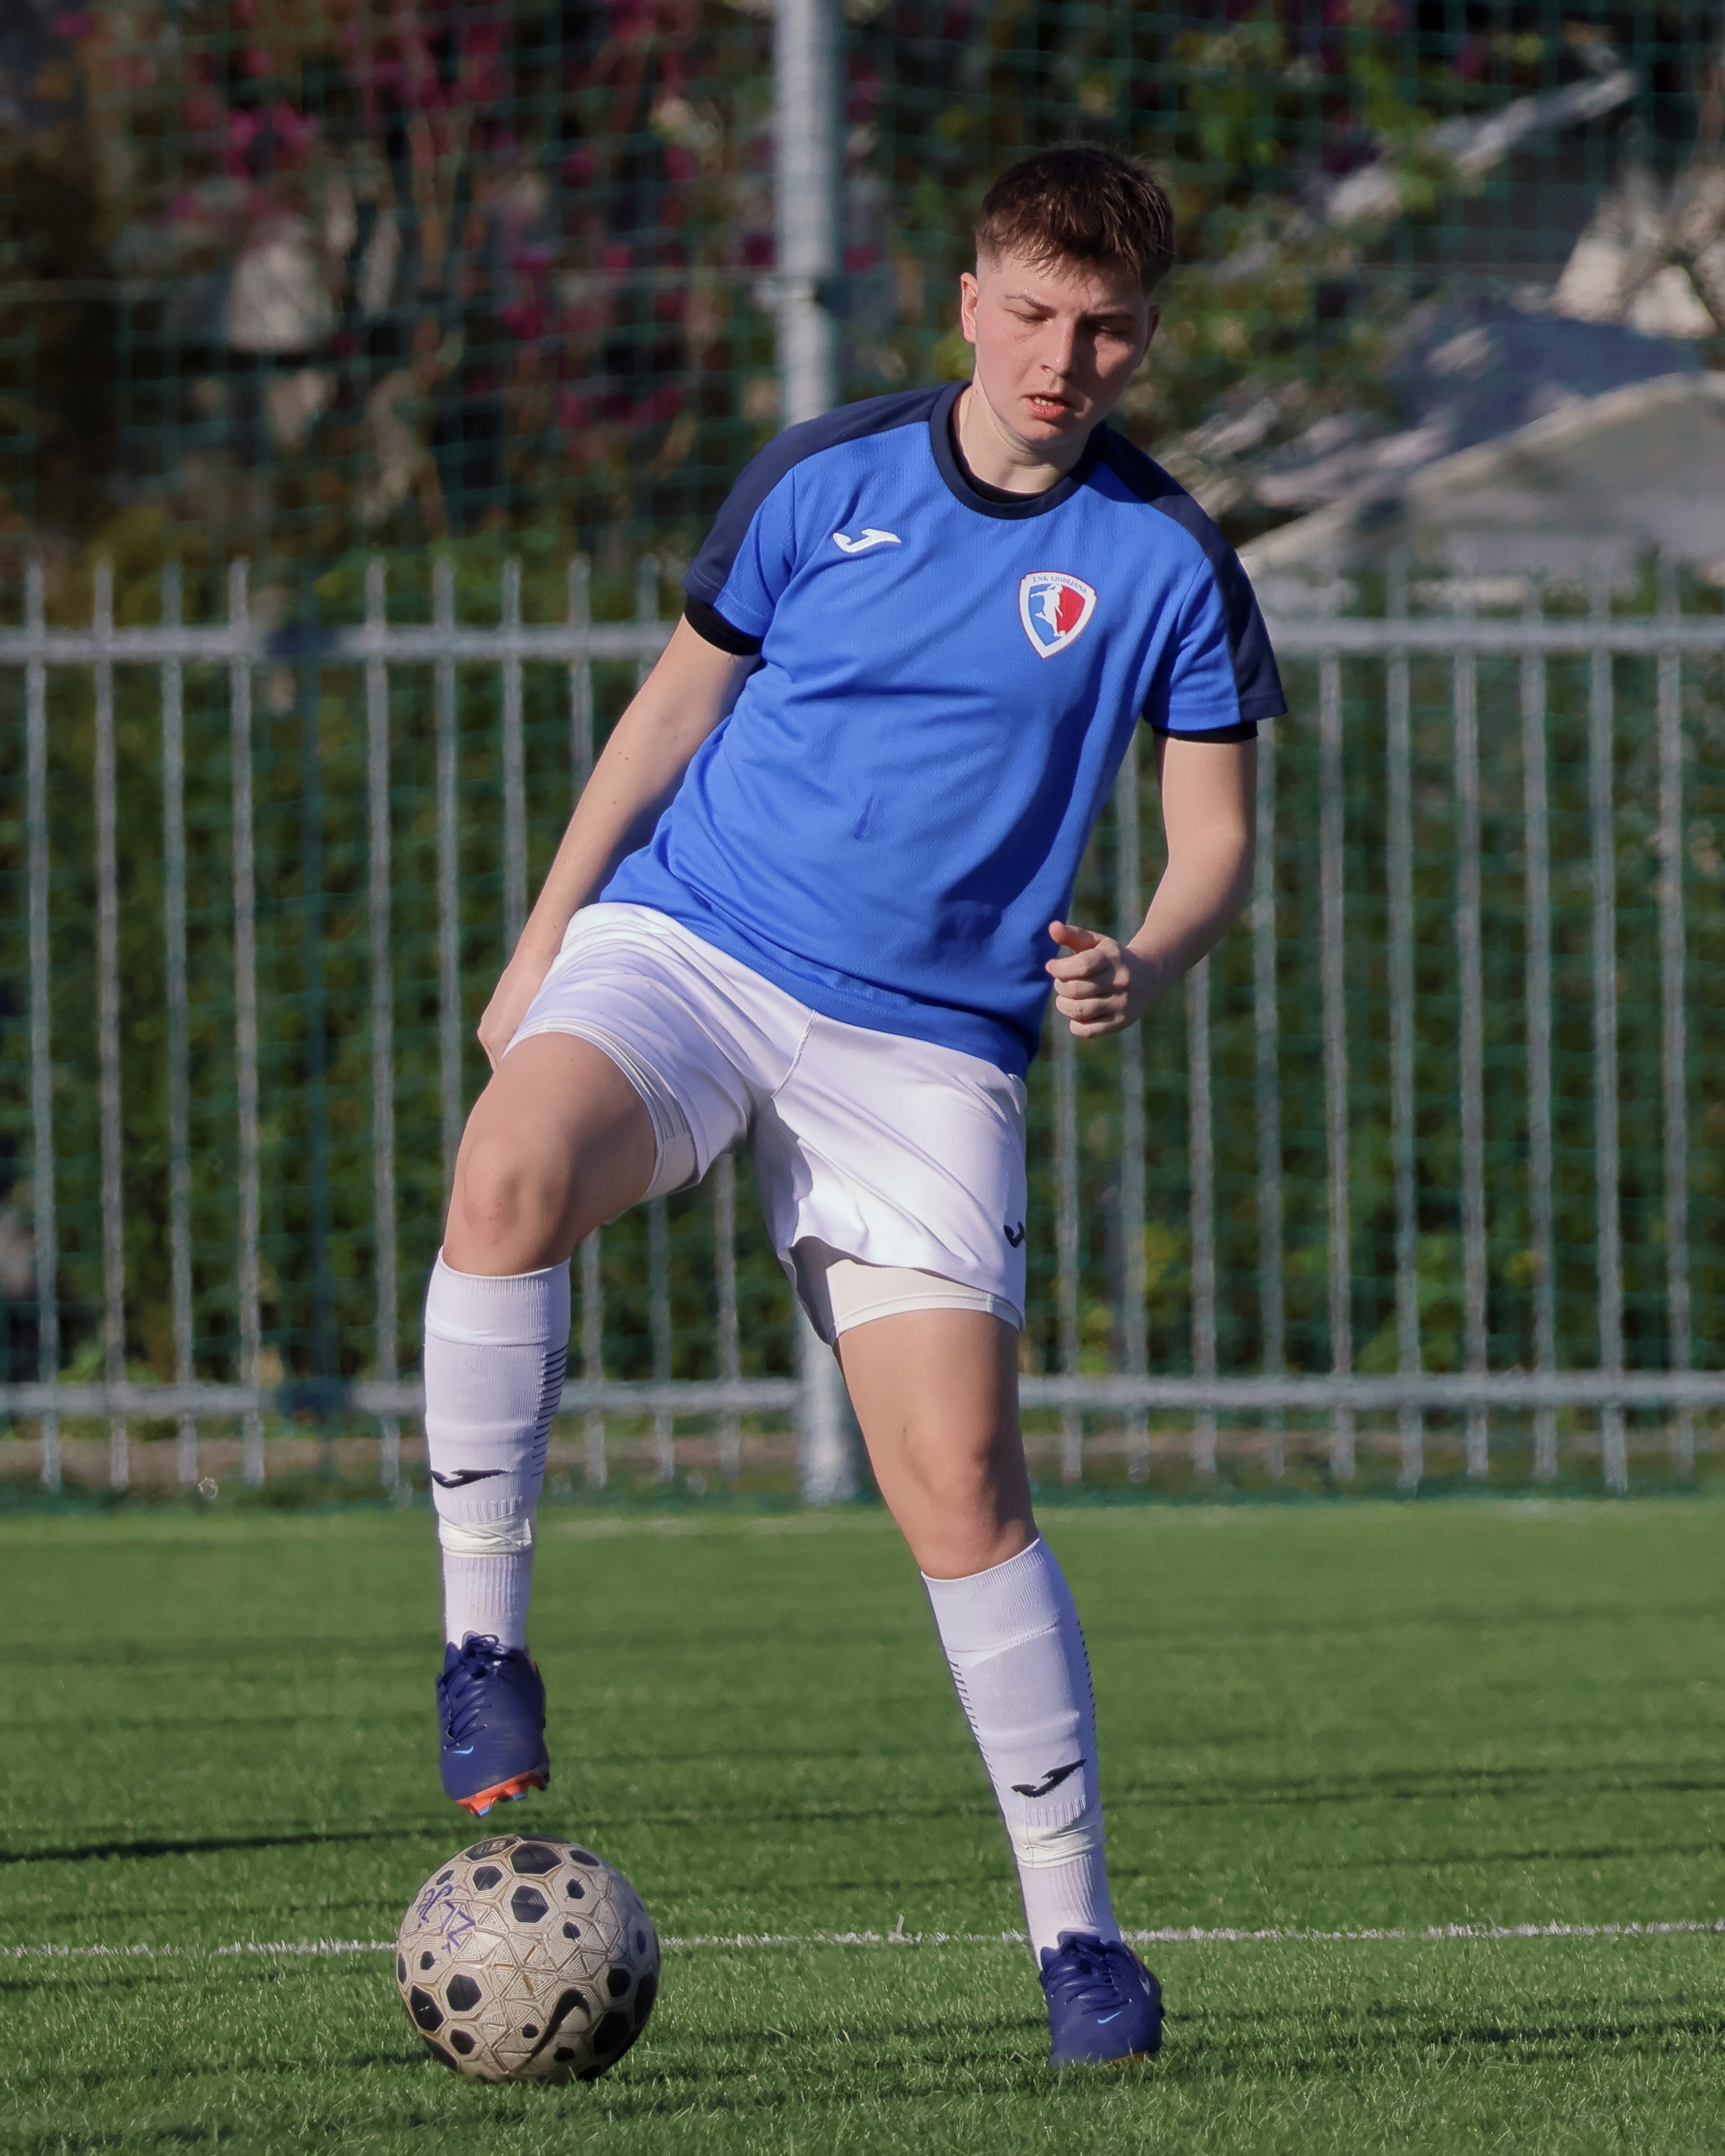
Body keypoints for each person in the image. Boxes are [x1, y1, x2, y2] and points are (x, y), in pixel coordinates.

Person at [423, 142, 1283, 2069]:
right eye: (1034, 313)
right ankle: (485, 1648)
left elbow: (1215, 837)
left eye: (1107, 328)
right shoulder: (826, 478)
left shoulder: (1167, 559)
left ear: (1147, 337)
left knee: (963, 1482)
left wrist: (1145, 958)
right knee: (509, 1171)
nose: (1063, 359)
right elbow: (672, 710)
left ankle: (1081, 1943)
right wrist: (545, 942)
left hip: (929, 1049)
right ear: (970, 301)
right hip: (699, 948)